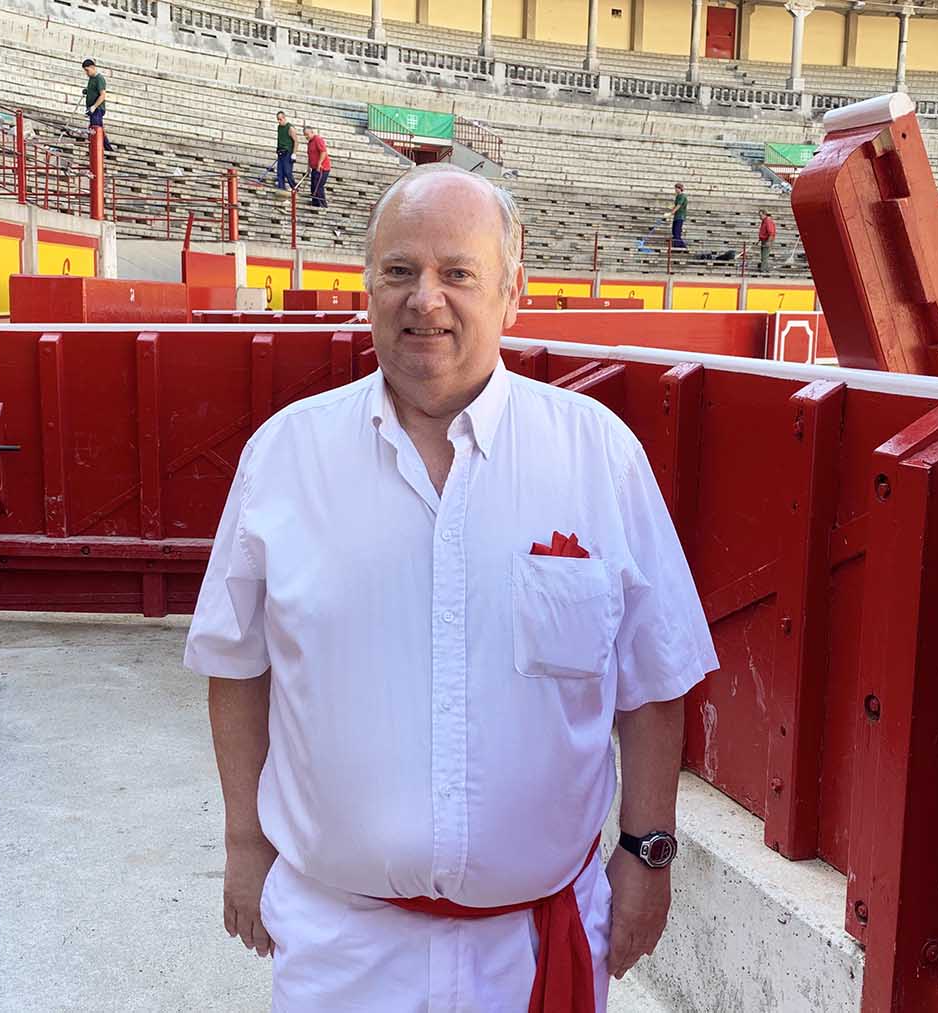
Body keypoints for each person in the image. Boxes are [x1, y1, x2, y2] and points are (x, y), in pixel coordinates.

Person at [186, 162, 716, 1012]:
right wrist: (244, 842)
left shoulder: (598, 455)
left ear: (513, 292)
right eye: (398, 271)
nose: (423, 299)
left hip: (536, 940)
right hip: (341, 945)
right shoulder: (285, 455)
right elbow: (236, 664)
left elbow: (652, 680)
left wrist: (646, 851)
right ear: (366, 286)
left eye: (456, 273)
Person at [80, 59, 115, 153]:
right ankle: (100, 149)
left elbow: (102, 95)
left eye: (87, 70)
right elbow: (93, 90)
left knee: (96, 129)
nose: (86, 73)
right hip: (92, 109)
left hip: (97, 109)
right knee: (94, 128)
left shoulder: (99, 79)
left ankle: (104, 149)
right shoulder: (91, 79)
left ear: (93, 67)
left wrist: (94, 106)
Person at [305, 125, 331, 208]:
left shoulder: (318, 139)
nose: (306, 136)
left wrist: (319, 163)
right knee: (313, 186)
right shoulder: (309, 143)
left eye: (307, 134)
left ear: (312, 132)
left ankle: (322, 205)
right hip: (314, 168)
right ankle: (315, 203)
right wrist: (308, 167)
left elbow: (323, 152)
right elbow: (310, 155)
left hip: (322, 168)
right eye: (305, 135)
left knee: (318, 186)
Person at [274, 112, 296, 191]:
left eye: (280, 119)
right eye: (278, 120)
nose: (279, 121)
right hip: (281, 152)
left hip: (288, 152)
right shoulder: (279, 127)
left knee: (287, 172)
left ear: (284, 118)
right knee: (280, 173)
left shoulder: (290, 128)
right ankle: (281, 188)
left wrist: (294, 153)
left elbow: (296, 141)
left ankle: (294, 187)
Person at [669, 182, 688, 249]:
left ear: (680, 189)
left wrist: (672, 212)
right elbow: (675, 205)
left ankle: (681, 246)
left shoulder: (682, 196)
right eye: (675, 188)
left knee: (677, 232)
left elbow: (679, 205)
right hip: (676, 217)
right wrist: (671, 208)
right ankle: (678, 245)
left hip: (680, 216)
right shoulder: (677, 196)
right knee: (674, 231)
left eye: (677, 188)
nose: (676, 190)